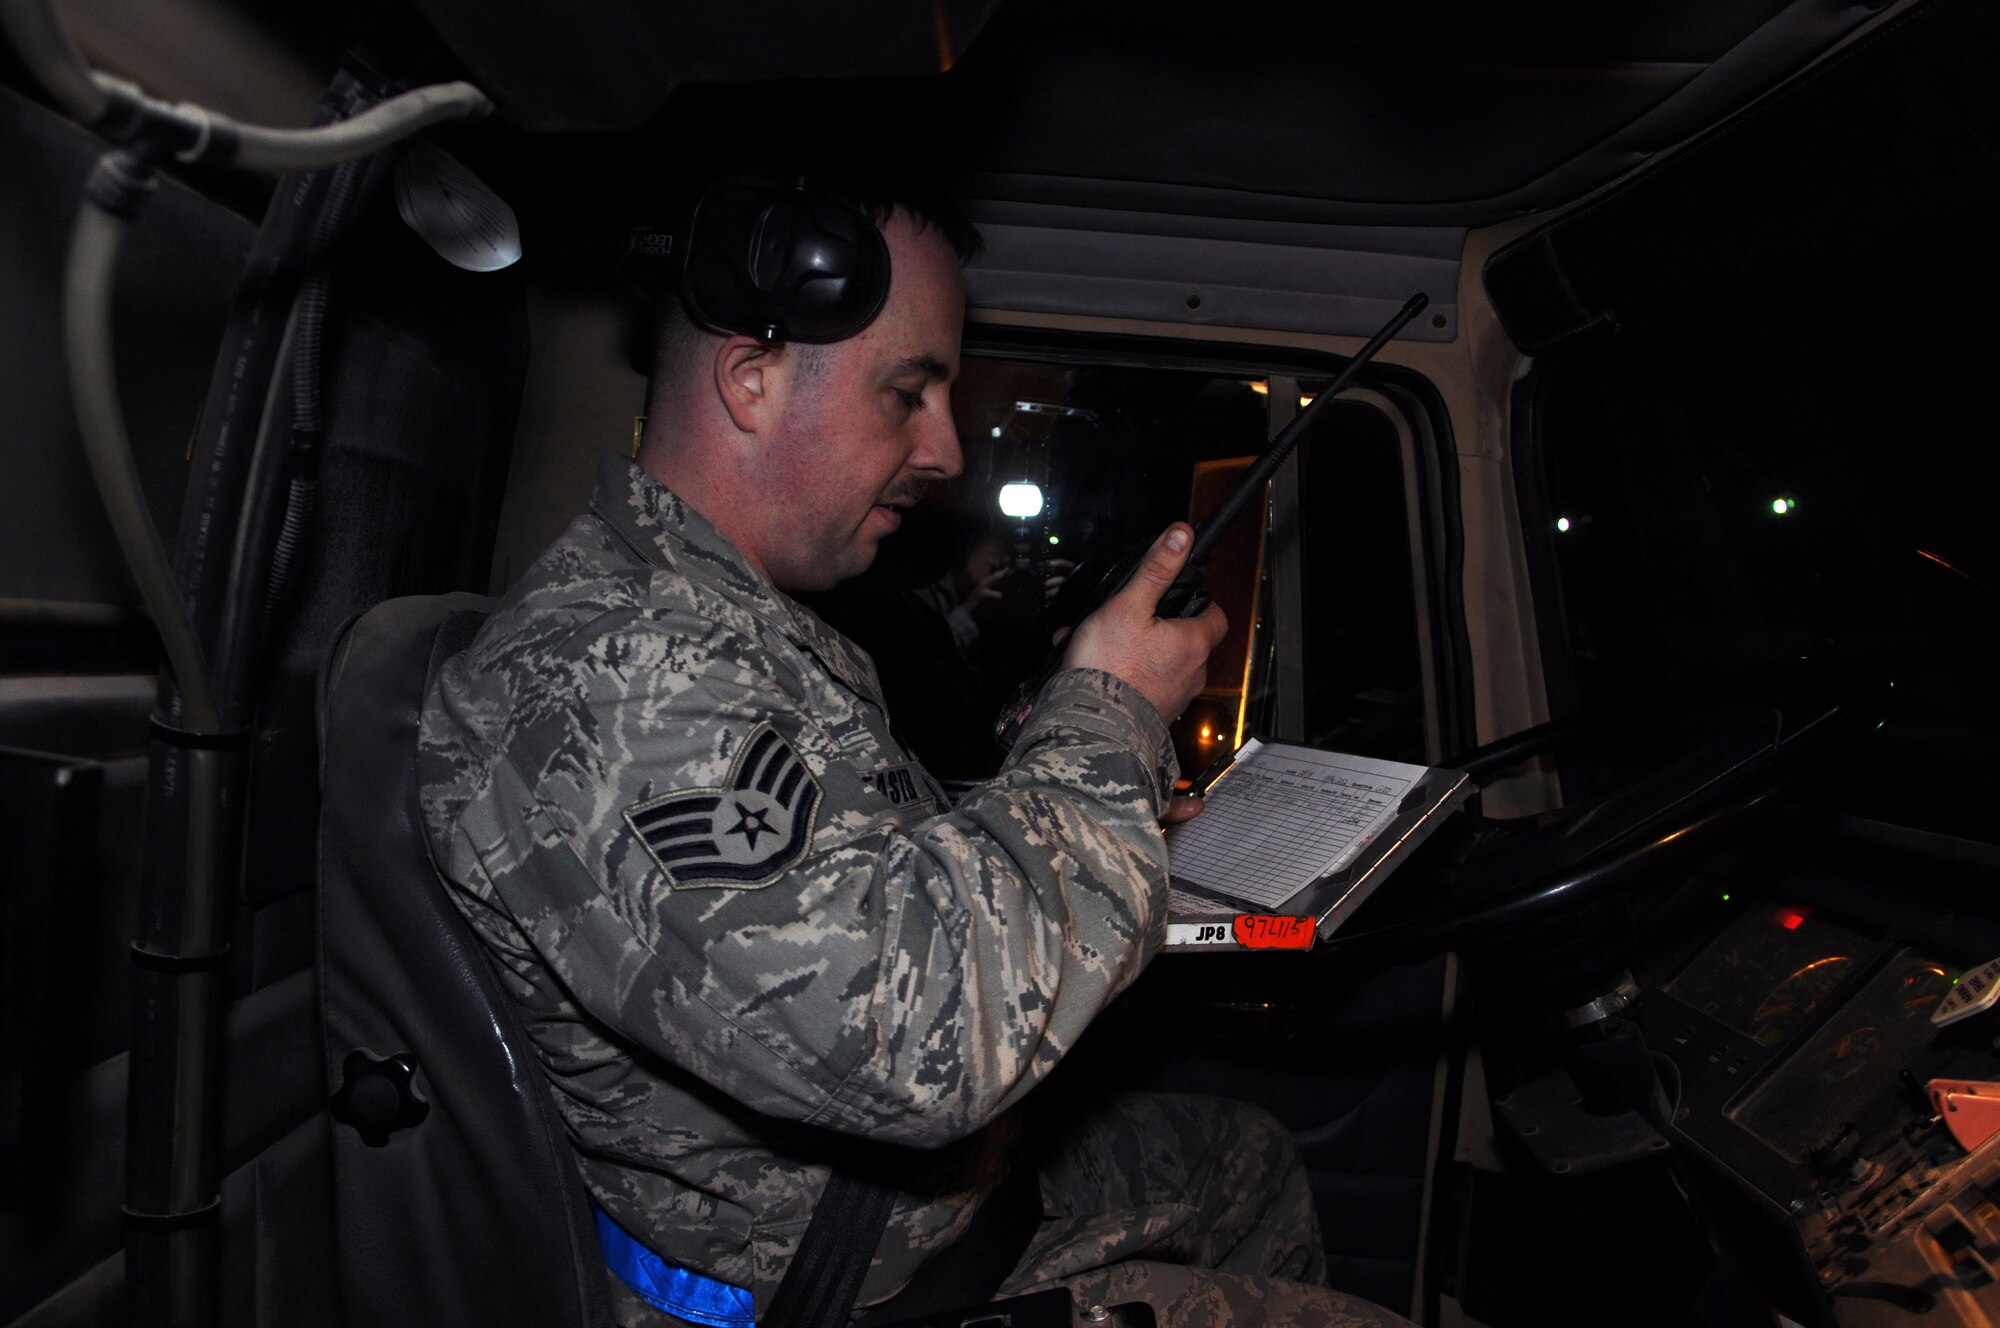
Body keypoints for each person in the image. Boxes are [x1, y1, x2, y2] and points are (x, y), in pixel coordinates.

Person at [419, 180, 1412, 1327]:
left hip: (941, 1209)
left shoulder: (737, 630)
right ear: (750, 380)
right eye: (908, 392)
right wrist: (1107, 713)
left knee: (1241, 1154)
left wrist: (1110, 809)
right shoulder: (607, 670)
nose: (942, 447)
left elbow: (868, 868)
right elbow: (919, 1042)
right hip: (839, 1291)